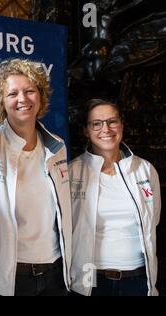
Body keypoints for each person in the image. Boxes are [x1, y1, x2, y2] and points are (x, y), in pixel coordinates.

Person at [0, 58, 72, 296]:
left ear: (40, 96)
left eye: (30, 91)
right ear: (1, 102)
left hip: (56, 272)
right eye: (13, 94)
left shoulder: (57, 146)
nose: (23, 99)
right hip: (11, 275)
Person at [69, 98, 161, 296]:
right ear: (86, 130)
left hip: (138, 280)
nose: (106, 129)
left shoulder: (145, 170)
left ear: (121, 125)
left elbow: (154, 220)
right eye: (96, 123)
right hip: (90, 280)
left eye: (112, 121)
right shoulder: (72, 173)